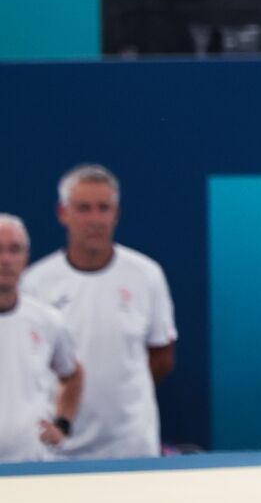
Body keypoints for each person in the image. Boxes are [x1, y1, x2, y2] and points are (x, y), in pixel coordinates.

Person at [20, 165, 176, 460]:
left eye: (103, 208)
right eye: (83, 208)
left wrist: (121, 400)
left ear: (115, 214)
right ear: (62, 213)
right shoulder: (36, 283)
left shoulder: (146, 275)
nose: (94, 219)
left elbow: (162, 358)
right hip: (59, 450)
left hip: (132, 447)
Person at [0, 213, 84, 464]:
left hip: (31, 466)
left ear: (25, 258)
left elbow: (72, 374)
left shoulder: (47, 320)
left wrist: (62, 424)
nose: (5, 259)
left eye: (14, 250)